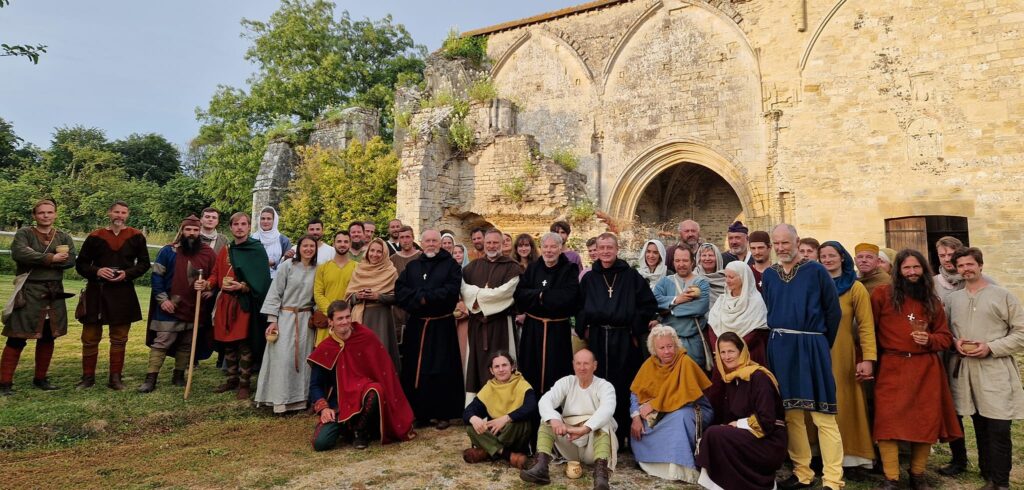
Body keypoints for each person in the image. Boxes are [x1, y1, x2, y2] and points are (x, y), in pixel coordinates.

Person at [870, 249, 961, 490]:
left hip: (925, 368)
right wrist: (866, 360)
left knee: (925, 422)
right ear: (898, 271)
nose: (912, 272)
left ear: (924, 270)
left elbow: (945, 336)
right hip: (892, 365)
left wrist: (930, 340)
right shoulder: (882, 294)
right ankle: (891, 478)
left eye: (916, 267)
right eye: (907, 268)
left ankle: (917, 474)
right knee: (887, 422)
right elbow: (869, 332)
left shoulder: (931, 300)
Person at [761, 224, 843, 490]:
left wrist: (819, 343)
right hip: (781, 347)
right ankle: (803, 473)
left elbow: (833, 313)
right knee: (791, 414)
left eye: (786, 242)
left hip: (811, 345)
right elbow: (769, 307)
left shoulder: (816, 271)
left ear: (796, 241)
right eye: (778, 244)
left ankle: (832, 479)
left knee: (823, 414)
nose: (782, 248)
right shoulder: (770, 275)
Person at [946, 247, 1024, 490]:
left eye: (970, 264)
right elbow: (945, 332)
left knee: (999, 426)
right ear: (956, 269)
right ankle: (987, 471)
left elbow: (1021, 333)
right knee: (979, 422)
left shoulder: (1003, 296)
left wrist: (991, 347)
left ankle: (1000, 482)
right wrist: (954, 342)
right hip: (964, 369)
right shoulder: (953, 299)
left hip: (995, 369)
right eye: (961, 266)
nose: (966, 269)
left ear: (980, 265)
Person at [576, 232, 657, 445]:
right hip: (597, 337)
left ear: (616, 249)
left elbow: (648, 304)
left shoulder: (630, 276)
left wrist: (634, 327)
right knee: (598, 384)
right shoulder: (590, 278)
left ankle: (622, 435)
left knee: (623, 384)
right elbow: (580, 306)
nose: (605, 252)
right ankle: (600, 435)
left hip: (623, 338)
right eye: (601, 248)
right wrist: (584, 327)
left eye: (609, 248)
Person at [309, 300, 416, 451]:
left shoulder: (365, 336)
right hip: (339, 404)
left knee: (376, 389)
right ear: (330, 322)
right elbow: (315, 385)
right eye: (340, 318)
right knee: (321, 444)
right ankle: (346, 427)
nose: (345, 322)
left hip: (365, 398)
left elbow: (385, 372)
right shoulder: (325, 348)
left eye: (348, 317)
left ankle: (360, 431)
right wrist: (324, 409)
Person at [0, 199, 76, 395]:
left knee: (49, 337)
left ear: (55, 214)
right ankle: (4, 383)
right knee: (17, 337)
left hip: (54, 292)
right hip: (29, 291)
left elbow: (72, 260)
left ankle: (41, 378)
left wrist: (60, 261)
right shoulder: (25, 233)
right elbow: (20, 253)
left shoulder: (63, 236)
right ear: (35, 216)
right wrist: (50, 258)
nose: (46, 216)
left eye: (50, 212)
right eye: (41, 213)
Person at [74, 200, 150, 390]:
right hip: (96, 291)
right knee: (90, 337)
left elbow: (144, 264)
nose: (120, 215)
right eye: (116, 212)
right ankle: (87, 378)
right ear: (109, 213)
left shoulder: (136, 236)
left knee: (119, 337)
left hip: (122, 291)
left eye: (124, 212)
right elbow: (81, 264)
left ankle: (115, 379)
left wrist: (127, 274)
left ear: (127, 215)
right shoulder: (95, 236)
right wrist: (97, 271)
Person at [697, 332, 787, 490]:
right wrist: (731, 426)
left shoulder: (759, 377)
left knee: (714, 434)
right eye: (722, 352)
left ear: (742, 352)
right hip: (748, 436)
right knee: (715, 433)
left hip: (769, 440)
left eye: (731, 351)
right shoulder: (732, 379)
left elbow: (767, 420)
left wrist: (737, 424)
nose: (726, 356)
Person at [138, 215, 217, 393]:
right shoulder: (168, 251)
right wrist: (163, 300)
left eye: (195, 230)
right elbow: (156, 276)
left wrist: (208, 286)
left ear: (200, 232)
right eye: (188, 229)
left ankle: (179, 375)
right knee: (163, 341)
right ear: (182, 231)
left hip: (194, 306)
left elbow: (215, 275)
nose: (192, 233)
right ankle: (150, 378)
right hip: (170, 305)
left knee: (187, 342)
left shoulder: (207, 253)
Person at [396, 229, 465, 429]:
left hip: (441, 324)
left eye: (435, 240)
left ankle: (443, 413)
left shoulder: (450, 265)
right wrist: (420, 298)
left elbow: (451, 290)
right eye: (428, 241)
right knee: (416, 368)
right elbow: (401, 290)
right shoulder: (413, 266)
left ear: (440, 243)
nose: (431, 244)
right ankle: (420, 413)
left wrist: (427, 297)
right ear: (422, 243)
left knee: (441, 367)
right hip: (417, 324)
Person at [817, 241, 876, 470]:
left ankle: (852, 456)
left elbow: (866, 326)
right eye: (823, 256)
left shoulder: (855, 287)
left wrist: (868, 359)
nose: (828, 259)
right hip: (816, 351)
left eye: (832, 255)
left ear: (842, 257)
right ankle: (819, 455)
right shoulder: (814, 285)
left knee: (844, 402)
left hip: (843, 353)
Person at [520, 349, 617, 490]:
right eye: (578, 363)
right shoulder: (567, 382)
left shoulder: (605, 386)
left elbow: (607, 409)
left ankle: (601, 476)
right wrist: (554, 420)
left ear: (595, 365)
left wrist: (584, 429)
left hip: (593, 445)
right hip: (571, 442)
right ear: (573, 365)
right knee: (547, 418)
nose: (582, 368)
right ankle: (541, 468)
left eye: (586, 363)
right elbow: (545, 400)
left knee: (605, 422)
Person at [629, 326, 713, 483]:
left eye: (670, 346)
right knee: (643, 425)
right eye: (662, 347)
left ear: (676, 345)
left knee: (679, 417)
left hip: (693, 408)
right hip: (664, 411)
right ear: (654, 349)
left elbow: (685, 397)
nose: (667, 351)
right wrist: (636, 417)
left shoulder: (685, 362)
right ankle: (654, 463)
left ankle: (681, 469)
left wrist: (654, 404)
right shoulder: (649, 364)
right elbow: (635, 393)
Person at [208, 212, 272, 399]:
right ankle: (232, 379)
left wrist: (243, 286)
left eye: (243, 224)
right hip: (225, 302)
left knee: (244, 343)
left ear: (249, 226)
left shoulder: (256, 249)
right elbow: (215, 273)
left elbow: (262, 280)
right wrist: (207, 284)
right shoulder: (226, 250)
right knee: (228, 343)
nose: (239, 227)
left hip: (244, 302)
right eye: (236, 224)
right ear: (231, 227)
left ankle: (244, 383)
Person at [256, 235, 318, 412]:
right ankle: (280, 400)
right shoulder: (287, 266)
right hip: (285, 317)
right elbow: (275, 293)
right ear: (299, 248)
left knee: (303, 359)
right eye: (305, 246)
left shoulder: (318, 269)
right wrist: (272, 320)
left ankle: (300, 400)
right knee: (283, 359)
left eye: (311, 246)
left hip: (305, 319)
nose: (308, 249)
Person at [514, 232, 580, 394]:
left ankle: (554, 411)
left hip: (557, 330)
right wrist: (544, 295)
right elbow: (520, 294)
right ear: (541, 248)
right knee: (531, 368)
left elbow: (570, 297)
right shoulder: (533, 268)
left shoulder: (569, 269)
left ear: (560, 248)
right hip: (533, 329)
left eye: (553, 247)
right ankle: (531, 411)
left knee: (556, 370)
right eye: (545, 247)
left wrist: (540, 296)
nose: (549, 250)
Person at [461, 229, 522, 394]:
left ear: (502, 244)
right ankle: (476, 404)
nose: (492, 246)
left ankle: (504, 404)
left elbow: (505, 294)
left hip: (501, 323)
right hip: (477, 325)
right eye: (489, 242)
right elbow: (464, 290)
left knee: (503, 362)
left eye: (496, 242)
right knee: (477, 364)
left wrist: (477, 296)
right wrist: (482, 297)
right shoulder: (471, 268)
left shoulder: (513, 268)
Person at [462, 351, 536, 468]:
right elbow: (467, 412)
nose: (501, 369)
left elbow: (531, 408)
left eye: (504, 365)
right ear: (492, 370)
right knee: (471, 427)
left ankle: (486, 451)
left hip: (514, 432)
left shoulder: (523, 385)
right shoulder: (489, 388)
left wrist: (506, 418)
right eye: (497, 366)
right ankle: (508, 455)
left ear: (512, 367)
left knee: (518, 423)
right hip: (496, 433)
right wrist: (473, 418)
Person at [345, 238, 400, 370]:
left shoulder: (390, 271)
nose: (374, 254)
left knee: (380, 357)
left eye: (379, 251)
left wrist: (378, 296)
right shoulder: (359, 269)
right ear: (367, 251)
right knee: (360, 358)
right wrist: (357, 296)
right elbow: (348, 297)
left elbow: (397, 298)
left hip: (381, 319)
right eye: (372, 250)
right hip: (360, 318)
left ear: (384, 253)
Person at [653, 247, 711, 370]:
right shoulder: (665, 281)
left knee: (693, 381)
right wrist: (676, 300)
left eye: (685, 260)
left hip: (694, 341)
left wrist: (669, 309)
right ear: (673, 262)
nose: (681, 264)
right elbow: (654, 301)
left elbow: (700, 307)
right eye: (677, 261)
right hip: (669, 343)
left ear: (692, 262)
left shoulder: (701, 283)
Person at [707, 260, 769, 366]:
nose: (727, 281)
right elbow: (713, 326)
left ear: (743, 277)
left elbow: (756, 332)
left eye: (731, 277)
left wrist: (734, 350)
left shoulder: (755, 302)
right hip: (723, 357)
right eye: (726, 277)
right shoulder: (722, 300)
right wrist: (719, 349)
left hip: (748, 355)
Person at [313, 231, 356, 345]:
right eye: (339, 241)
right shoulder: (322, 268)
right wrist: (332, 314)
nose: (342, 244)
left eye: (346, 241)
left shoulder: (357, 268)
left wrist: (343, 316)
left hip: (348, 321)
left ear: (350, 244)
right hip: (328, 320)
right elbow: (318, 293)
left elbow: (357, 293)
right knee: (324, 357)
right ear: (333, 244)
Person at [196, 207, 228, 364]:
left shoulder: (223, 241)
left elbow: (225, 268)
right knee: (195, 324)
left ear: (217, 221)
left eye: (213, 217)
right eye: (207, 216)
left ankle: (221, 356)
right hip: (194, 286)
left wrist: (213, 289)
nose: (210, 219)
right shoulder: (193, 236)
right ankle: (192, 356)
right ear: (201, 219)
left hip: (215, 289)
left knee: (217, 322)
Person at [252, 206, 291, 279]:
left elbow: (289, 264)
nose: (265, 221)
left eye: (269, 219)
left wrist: (274, 264)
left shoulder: (283, 240)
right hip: (254, 278)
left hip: (276, 281)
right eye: (263, 218)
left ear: (274, 220)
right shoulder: (253, 238)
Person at [696, 242, 726, 309]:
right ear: (699, 258)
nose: (707, 258)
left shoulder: (726, 277)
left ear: (717, 258)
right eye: (704, 255)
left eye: (711, 255)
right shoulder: (694, 277)